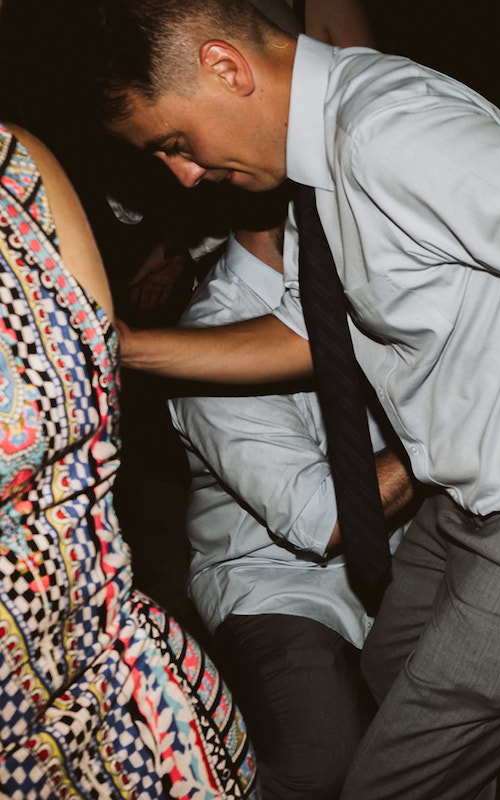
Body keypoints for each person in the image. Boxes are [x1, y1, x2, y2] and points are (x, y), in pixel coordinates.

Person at [78, 1, 500, 797]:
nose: (184, 176)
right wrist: (125, 345)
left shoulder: (385, 131)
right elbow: (311, 332)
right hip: (472, 492)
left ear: (225, 67)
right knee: (391, 665)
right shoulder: (323, 149)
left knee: (385, 783)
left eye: (175, 144)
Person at [0, 122, 258, 796]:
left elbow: (96, 434)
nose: (184, 168)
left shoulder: (18, 161)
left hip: (133, 678)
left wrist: (170, 254)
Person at [168, 216, 412, 800]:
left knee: (481, 708)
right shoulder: (214, 335)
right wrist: (443, 433)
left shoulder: (375, 272)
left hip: (405, 539)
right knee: (321, 759)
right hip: (274, 576)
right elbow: (324, 517)